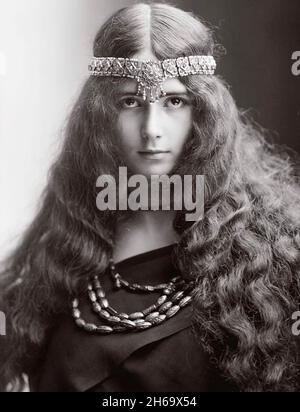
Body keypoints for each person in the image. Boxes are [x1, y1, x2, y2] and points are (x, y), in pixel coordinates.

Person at [1, 2, 300, 392]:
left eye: (174, 101)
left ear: (204, 113)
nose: (152, 129)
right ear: (99, 116)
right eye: (130, 102)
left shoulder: (273, 260)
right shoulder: (56, 253)